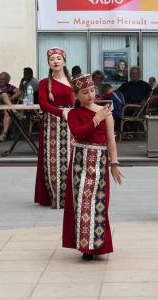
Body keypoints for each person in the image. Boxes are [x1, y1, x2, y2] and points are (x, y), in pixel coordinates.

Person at [62, 73, 123, 261]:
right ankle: (85, 246)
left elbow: (111, 140)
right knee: (81, 202)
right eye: (84, 92)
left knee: (99, 203)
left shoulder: (106, 112)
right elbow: (79, 134)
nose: (90, 94)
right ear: (77, 95)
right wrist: (96, 119)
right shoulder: (73, 114)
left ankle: (98, 244)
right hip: (80, 162)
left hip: (100, 162)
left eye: (92, 90)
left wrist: (114, 163)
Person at [34, 47, 74, 209]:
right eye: (52, 59)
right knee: (54, 161)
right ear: (49, 63)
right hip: (52, 126)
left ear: (64, 61)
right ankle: (57, 197)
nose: (55, 61)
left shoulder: (73, 82)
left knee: (71, 159)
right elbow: (43, 104)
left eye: (58, 58)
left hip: (72, 124)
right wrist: (60, 112)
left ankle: (72, 196)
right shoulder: (45, 83)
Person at [0, 72, 21, 142]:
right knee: (4, 94)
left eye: (3, 79)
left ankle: (4, 134)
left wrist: (10, 98)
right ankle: (15, 112)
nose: (0, 80)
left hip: (6, 107)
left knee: (8, 110)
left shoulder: (10, 87)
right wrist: (5, 97)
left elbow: (19, 92)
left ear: (7, 81)